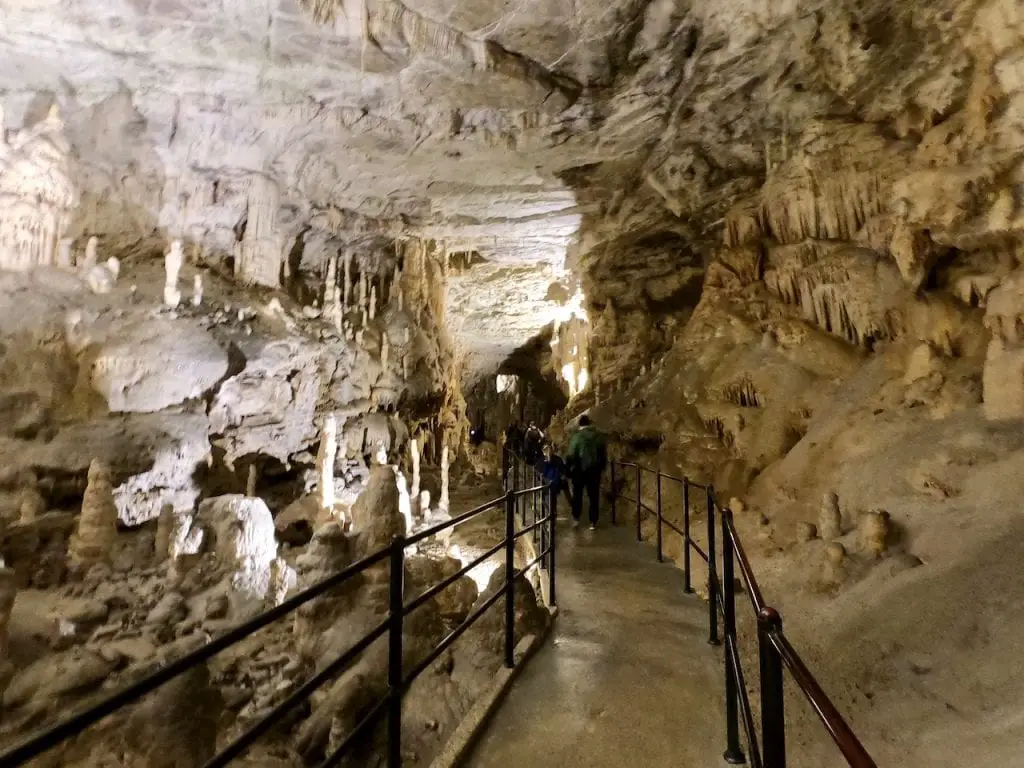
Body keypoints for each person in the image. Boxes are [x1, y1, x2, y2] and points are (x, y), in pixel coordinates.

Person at [567, 414, 607, 530]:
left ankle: (576, 518)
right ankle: (593, 521)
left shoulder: (577, 437)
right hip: (594, 470)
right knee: (594, 495)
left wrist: (568, 468)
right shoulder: (598, 436)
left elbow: (571, 453)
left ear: (580, 424)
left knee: (577, 494)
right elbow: (603, 454)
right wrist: (602, 467)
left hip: (579, 469)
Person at [536, 443, 570, 518]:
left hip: (548, 485)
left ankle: (548, 519)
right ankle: (549, 518)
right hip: (550, 485)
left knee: (548, 502)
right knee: (549, 502)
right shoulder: (555, 460)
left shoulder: (542, 461)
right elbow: (563, 471)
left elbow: (538, 474)